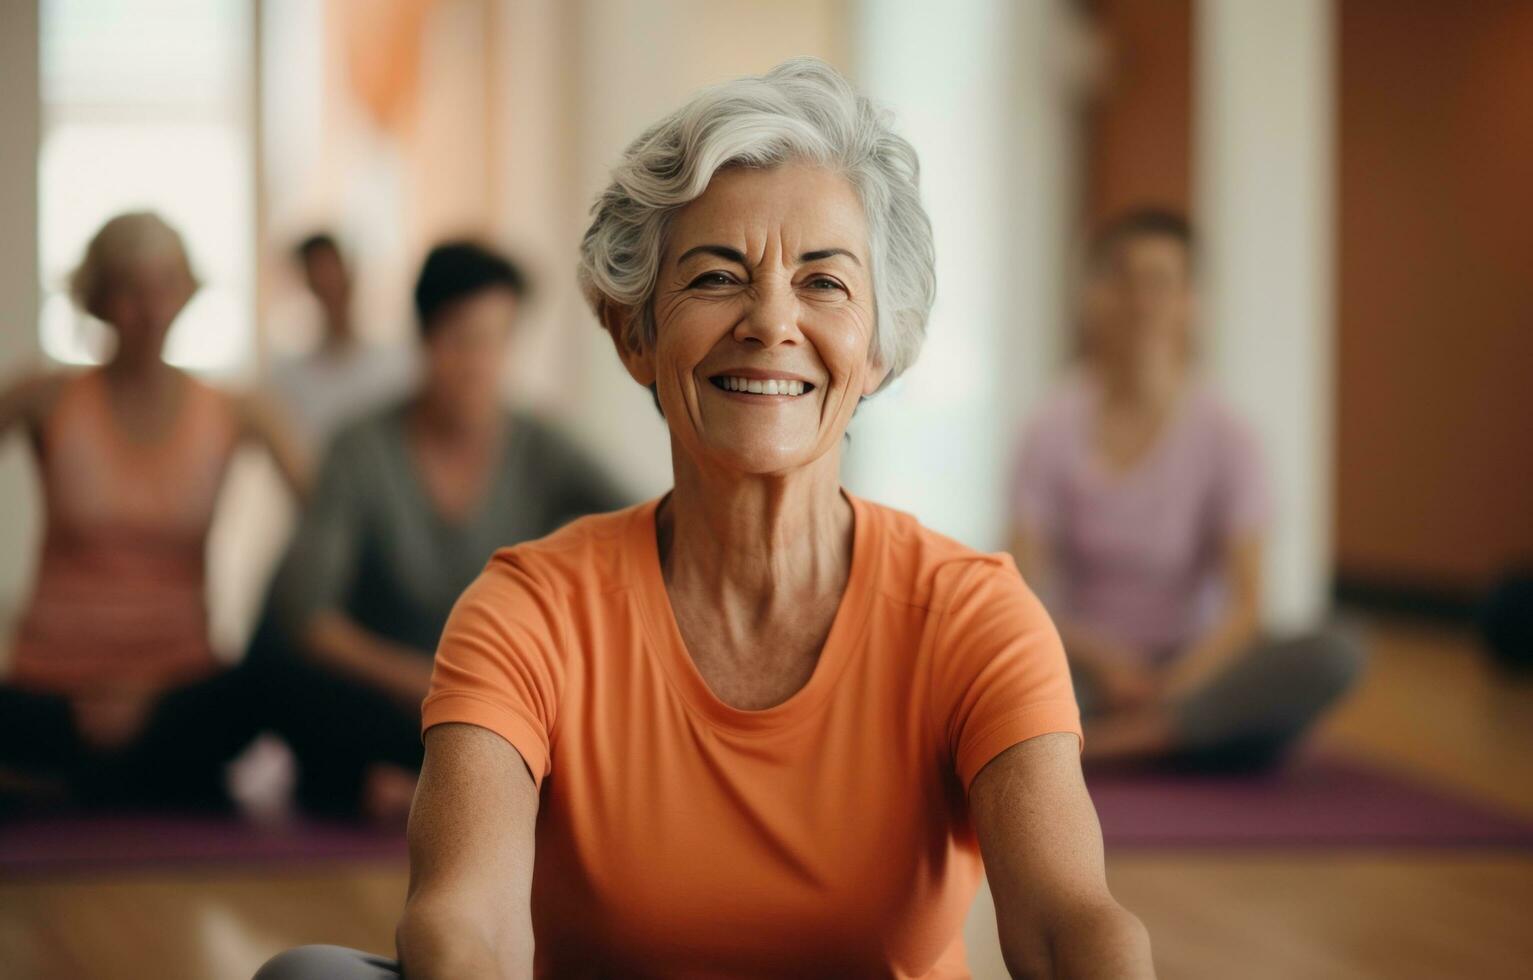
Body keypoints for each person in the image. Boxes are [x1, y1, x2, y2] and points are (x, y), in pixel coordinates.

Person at [258, 59, 1152, 979]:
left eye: (824, 283)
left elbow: (1067, 919)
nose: (772, 321)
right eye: (718, 277)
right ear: (635, 334)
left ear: (880, 347)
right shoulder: (526, 609)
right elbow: (464, 923)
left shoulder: (973, 616)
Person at [250, 241, 627, 822]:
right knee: (273, 679)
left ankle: (433, 785)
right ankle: (430, 785)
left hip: (500, 693)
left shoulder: (542, 445)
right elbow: (307, 619)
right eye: (465, 340)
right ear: (425, 340)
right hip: (383, 697)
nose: (482, 361)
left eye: (498, 340)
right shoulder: (360, 449)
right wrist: (419, 678)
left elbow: (654, 521)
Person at [1009, 207, 1363, 769]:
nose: (1139, 299)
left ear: (1191, 301)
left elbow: (1247, 604)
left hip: (1194, 667)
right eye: (1120, 278)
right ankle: (1184, 739)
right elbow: (1019, 588)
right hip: (1083, 665)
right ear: (1094, 295)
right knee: (993, 672)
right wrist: (1104, 660)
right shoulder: (1049, 426)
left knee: (1337, 651)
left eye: (1160, 281)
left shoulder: (1229, 434)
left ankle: (1107, 743)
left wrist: (1175, 682)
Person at [0, 212, 307, 811]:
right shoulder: (48, 398)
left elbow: (335, 518)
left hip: (178, 688)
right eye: (128, 288)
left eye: (165, 285)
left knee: (275, 686)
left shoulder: (237, 410)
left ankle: (78, 787)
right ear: (99, 299)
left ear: (187, 293)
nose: (149, 307)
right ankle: (104, 781)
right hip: (51, 690)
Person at [267, 233, 414, 454]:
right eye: (319, 280)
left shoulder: (396, 364)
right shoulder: (288, 379)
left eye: (334, 276)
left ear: (349, 275)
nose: (330, 287)